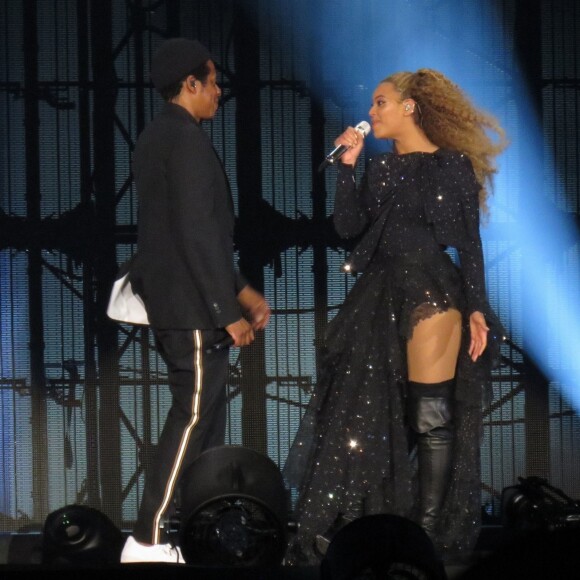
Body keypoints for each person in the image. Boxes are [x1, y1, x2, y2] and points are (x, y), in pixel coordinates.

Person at [283, 68, 507, 566]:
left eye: (380, 102)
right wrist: (347, 168)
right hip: (380, 293)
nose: (370, 112)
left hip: (431, 292)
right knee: (369, 414)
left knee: (430, 416)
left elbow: (469, 244)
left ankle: (422, 537)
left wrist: (477, 309)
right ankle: (369, 524)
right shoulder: (381, 167)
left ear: (409, 106)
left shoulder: (452, 166)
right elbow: (347, 227)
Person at [119, 37, 271, 564]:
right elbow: (195, 233)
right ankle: (150, 537)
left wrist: (241, 290)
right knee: (191, 419)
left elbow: (192, 231)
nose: (219, 91)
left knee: (204, 425)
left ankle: (189, 534)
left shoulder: (160, 136)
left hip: (187, 301)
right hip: (190, 308)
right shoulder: (182, 140)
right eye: (212, 81)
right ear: (190, 84)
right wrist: (227, 312)